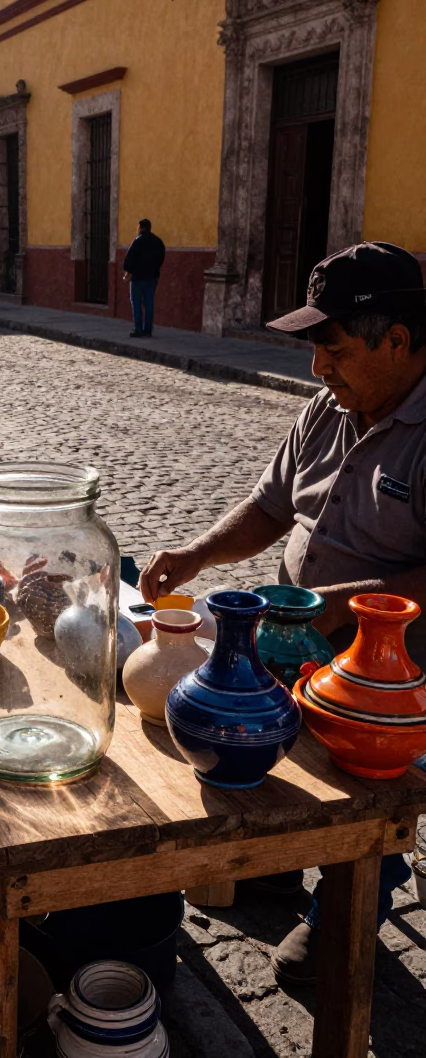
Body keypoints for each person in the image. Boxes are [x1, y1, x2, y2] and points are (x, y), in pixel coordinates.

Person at [140, 240, 426, 985]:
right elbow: (271, 505)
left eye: (331, 348)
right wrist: (197, 555)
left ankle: (349, 910)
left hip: (397, 678)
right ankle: (273, 869)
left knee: (368, 791)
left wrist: (349, 610)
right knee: (268, 744)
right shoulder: (330, 409)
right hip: (298, 641)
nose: (317, 368)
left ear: (395, 342)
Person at [123, 219, 165, 338]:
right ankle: (148, 329)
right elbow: (161, 258)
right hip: (152, 277)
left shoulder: (137, 241)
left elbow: (129, 259)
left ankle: (138, 329)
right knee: (149, 303)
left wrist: (127, 274)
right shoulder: (158, 241)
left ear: (141, 227)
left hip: (138, 278)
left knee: (136, 303)